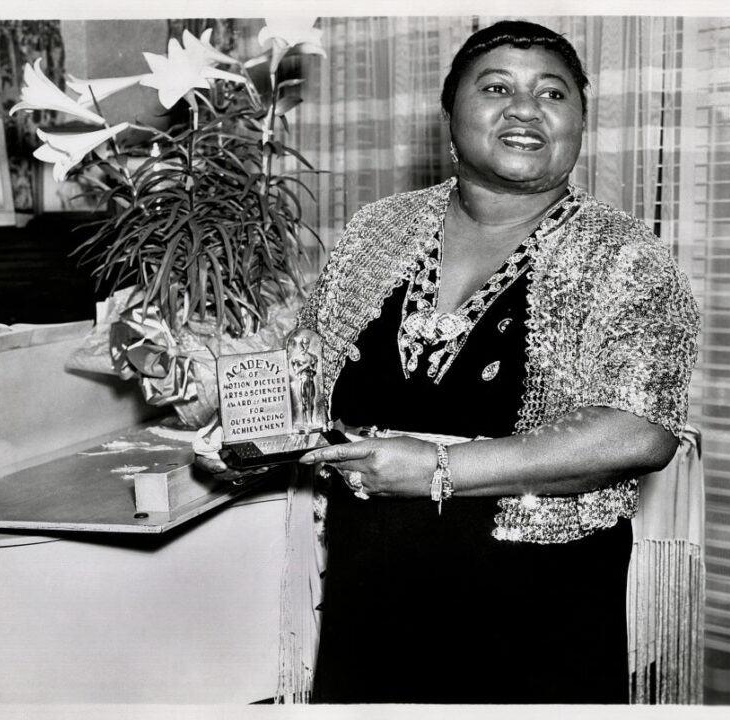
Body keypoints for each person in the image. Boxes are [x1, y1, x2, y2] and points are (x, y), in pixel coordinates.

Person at [288, 21, 700, 704]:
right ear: (449, 114)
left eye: (552, 94)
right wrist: (221, 405)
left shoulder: (624, 254)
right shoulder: (376, 230)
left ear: (577, 125)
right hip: (371, 588)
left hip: (535, 607)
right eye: (496, 87)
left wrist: (438, 470)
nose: (524, 109)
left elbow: (639, 432)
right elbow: (310, 368)